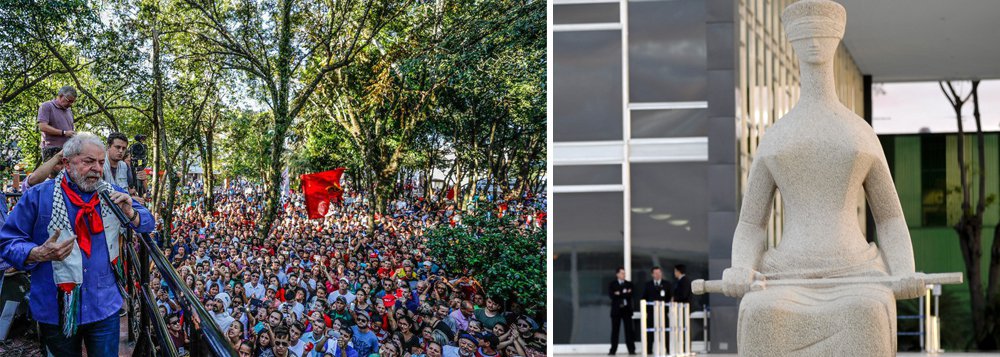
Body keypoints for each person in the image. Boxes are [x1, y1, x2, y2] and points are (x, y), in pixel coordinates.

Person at [0, 132, 155, 355]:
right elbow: (8, 243)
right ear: (66, 163)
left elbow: (148, 222)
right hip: (54, 308)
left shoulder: (112, 195)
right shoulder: (38, 197)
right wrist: (37, 253)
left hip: (104, 306)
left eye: (101, 162)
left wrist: (131, 213)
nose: (97, 168)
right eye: (88, 161)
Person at [37, 86, 77, 150]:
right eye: (69, 101)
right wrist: (64, 133)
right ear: (61, 96)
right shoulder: (47, 106)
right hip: (51, 148)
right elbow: (42, 127)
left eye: (73, 102)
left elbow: (70, 130)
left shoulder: (69, 110)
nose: (70, 104)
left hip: (67, 149)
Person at [641, 266, 670, 353]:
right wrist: (646, 311)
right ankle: (649, 350)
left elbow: (669, 298)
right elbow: (644, 298)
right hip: (651, 313)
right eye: (655, 273)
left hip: (663, 312)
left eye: (659, 272)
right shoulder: (648, 285)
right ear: (652, 274)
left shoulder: (667, 284)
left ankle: (667, 349)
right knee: (650, 332)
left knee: (665, 331)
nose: (657, 275)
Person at [608, 267, 635, 355]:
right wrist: (624, 292)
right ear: (617, 274)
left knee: (629, 331)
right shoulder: (612, 284)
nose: (624, 275)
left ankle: (631, 350)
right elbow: (612, 295)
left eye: (624, 273)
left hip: (627, 310)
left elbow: (630, 294)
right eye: (622, 273)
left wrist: (619, 293)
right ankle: (613, 350)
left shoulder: (629, 284)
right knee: (615, 331)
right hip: (616, 311)